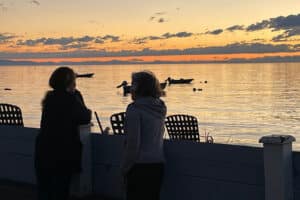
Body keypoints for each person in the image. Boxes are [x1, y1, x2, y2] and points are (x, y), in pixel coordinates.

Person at [34, 67, 91, 200]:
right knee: (61, 189)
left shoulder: (49, 98)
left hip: (44, 148)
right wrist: (76, 93)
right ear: (69, 82)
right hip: (62, 151)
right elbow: (85, 116)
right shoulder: (70, 99)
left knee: (44, 189)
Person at [121, 71, 167, 200]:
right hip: (158, 165)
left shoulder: (134, 110)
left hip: (139, 167)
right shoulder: (161, 108)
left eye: (133, 85)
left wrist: (124, 168)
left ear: (138, 88)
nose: (130, 88)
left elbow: (133, 144)